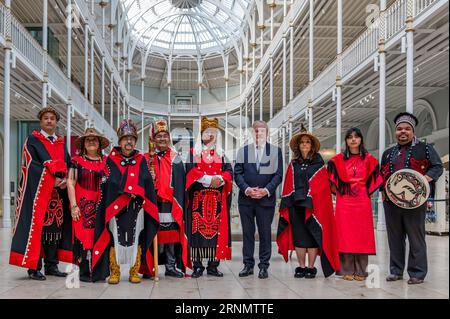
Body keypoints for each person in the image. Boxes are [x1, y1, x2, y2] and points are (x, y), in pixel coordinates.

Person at [91, 119, 159, 284]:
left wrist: (148, 180)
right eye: (125, 138)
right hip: (116, 210)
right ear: (120, 141)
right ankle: (115, 271)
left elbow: (146, 182)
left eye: (132, 139)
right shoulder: (110, 160)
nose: (128, 141)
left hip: (136, 208)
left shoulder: (141, 160)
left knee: (136, 237)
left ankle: (134, 271)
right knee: (115, 238)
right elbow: (108, 183)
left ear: (135, 141)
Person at [10, 107, 72, 280]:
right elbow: (31, 165)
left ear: (56, 122)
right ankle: (34, 268)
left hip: (57, 197)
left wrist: (67, 179)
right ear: (41, 121)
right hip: (37, 195)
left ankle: (51, 266)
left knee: (54, 231)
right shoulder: (33, 141)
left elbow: (67, 163)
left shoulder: (60, 143)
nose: (49, 121)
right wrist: (51, 181)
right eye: (46, 118)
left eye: (52, 118)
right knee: (36, 230)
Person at [381, 112, 443, 285]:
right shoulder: (388, 153)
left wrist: (424, 179)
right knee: (394, 238)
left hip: (415, 203)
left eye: (407, 129)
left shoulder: (425, 149)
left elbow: (437, 167)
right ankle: (396, 271)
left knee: (416, 238)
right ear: (395, 132)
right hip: (391, 203)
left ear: (413, 131)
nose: (403, 132)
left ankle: (417, 273)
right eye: (399, 129)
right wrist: (383, 192)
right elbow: (382, 176)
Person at [277, 124, 340, 279]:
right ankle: (301, 266)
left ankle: (311, 267)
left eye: (307, 142)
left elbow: (322, 186)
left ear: (312, 146)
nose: (304, 144)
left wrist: (312, 196)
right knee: (299, 237)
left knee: (312, 237)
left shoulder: (319, 164)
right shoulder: (293, 164)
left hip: (313, 207)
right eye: (302, 142)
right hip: (296, 206)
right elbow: (288, 183)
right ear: (298, 146)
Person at [327, 128, 383, 281]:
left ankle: (361, 271)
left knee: (361, 235)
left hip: (362, 201)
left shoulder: (370, 159)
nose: (353, 140)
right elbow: (331, 181)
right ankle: (347, 270)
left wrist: (363, 192)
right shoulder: (337, 160)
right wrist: (341, 192)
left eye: (356, 137)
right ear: (346, 140)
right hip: (344, 202)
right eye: (350, 137)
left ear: (361, 140)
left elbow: (375, 179)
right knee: (345, 234)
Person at [234, 121, 283, 279]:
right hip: (246, 200)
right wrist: (247, 189)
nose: (258, 133)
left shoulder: (275, 151)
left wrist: (266, 190)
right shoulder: (243, 151)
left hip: (265, 200)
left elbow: (278, 175)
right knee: (247, 233)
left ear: (267, 133)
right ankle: (248, 265)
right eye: (255, 131)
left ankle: (263, 266)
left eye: (261, 131)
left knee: (265, 233)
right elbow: (238, 173)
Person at [185, 117, 233, 278]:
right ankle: (198, 265)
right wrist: (207, 179)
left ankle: (213, 265)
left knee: (216, 232)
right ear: (202, 134)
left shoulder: (222, 154)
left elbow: (229, 172)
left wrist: (220, 179)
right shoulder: (194, 153)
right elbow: (190, 170)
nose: (211, 135)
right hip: (198, 201)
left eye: (214, 132)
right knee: (197, 231)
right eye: (208, 132)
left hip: (218, 203)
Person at [146, 119, 190, 278]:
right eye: (159, 136)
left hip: (170, 203)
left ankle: (171, 266)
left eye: (165, 135)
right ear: (153, 139)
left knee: (170, 236)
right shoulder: (146, 158)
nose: (162, 138)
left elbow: (180, 181)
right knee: (151, 235)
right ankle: (150, 267)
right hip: (152, 203)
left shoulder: (175, 158)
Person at [67, 128, 110, 282]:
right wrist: (73, 205)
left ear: (99, 144)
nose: (91, 142)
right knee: (82, 237)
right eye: (88, 140)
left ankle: (100, 271)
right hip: (82, 206)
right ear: (83, 144)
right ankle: (84, 271)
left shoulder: (107, 162)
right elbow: (70, 183)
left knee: (100, 235)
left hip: (102, 206)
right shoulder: (75, 162)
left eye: (94, 139)